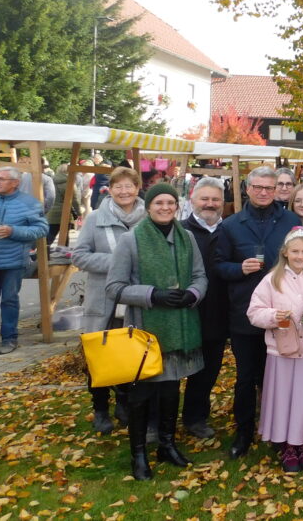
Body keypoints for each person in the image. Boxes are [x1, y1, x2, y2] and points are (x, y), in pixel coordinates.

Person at [105, 183, 207, 480]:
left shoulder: (187, 237)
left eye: (170, 203)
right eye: (158, 203)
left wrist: (193, 294)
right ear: (148, 207)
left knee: (171, 390)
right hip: (145, 330)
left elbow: (200, 275)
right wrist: (152, 295)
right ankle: (138, 454)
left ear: (177, 206)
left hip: (180, 328)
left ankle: (167, 444)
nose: (165, 207)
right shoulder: (131, 240)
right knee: (141, 395)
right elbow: (114, 287)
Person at [215, 167, 302, 459]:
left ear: (277, 189)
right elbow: (218, 265)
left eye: (269, 187)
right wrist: (239, 268)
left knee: (276, 376)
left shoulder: (290, 220)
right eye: (258, 187)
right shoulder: (232, 225)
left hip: (283, 313)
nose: (264, 192)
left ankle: (277, 429)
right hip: (245, 311)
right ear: (248, 189)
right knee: (246, 377)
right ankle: (243, 431)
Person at [247, 227, 303, 472]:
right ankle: (286, 443)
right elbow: (254, 311)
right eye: (295, 251)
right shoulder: (272, 279)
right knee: (283, 396)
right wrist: (275, 316)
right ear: (285, 252)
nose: (300, 256)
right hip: (281, 350)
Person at [71, 167, 146, 432]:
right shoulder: (96, 219)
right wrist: (117, 262)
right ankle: (100, 407)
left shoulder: (149, 217)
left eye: (129, 186)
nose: (124, 191)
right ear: (110, 190)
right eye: (118, 187)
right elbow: (79, 255)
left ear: (137, 188)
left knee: (129, 351)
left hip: (135, 298)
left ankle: (124, 401)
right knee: (100, 353)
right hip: (103, 298)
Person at [0, 166, 48, 357]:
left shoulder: (30, 203)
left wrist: (13, 231)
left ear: (15, 183)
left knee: (10, 301)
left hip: (13, 261)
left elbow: (41, 229)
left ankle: (9, 339)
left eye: (2, 179)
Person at [181, 177, 229, 439]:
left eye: (215, 200)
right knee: (173, 369)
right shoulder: (180, 231)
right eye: (204, 199)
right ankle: (159, 419)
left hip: (219, 311)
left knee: (208, 370)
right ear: (193, 200)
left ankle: (195, 417)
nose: (210, 204)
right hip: (185, 311)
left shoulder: (229, 231)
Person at [46, 163, 78, 245]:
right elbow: (74, 199)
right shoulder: (69, 183)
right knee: (64, 235)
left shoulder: (50, 181)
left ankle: (43, 252)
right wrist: (78, 212)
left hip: (51, 211)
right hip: (65, 212)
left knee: (51, 233)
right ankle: (62, 252)